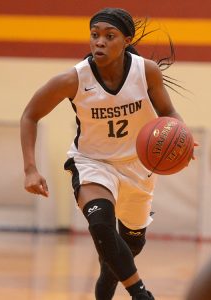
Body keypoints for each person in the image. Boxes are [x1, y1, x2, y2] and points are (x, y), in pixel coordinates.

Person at [20, 7, 192, 300]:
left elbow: (168, 112)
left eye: (109, 36)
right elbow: (30, 115)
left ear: (126, 40)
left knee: (129, 247)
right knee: (100, 224)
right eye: (94, 35)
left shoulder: (145, 71)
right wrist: (30, 169)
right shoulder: (73, 79)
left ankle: (109, 277)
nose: (99, 41)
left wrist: (182, 137)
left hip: (138, 165)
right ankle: (141, 294)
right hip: (92, 162)